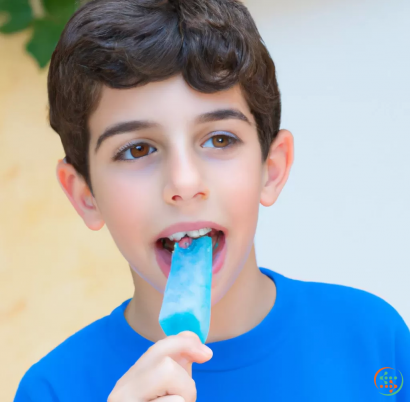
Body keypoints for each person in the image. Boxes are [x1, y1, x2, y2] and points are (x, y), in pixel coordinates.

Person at [13, 0, 410, 401]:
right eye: (136, 150)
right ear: (86, 196)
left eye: (219, 139)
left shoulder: (374, 340)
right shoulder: (53, 389)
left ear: (271, 168)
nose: (184, 183)